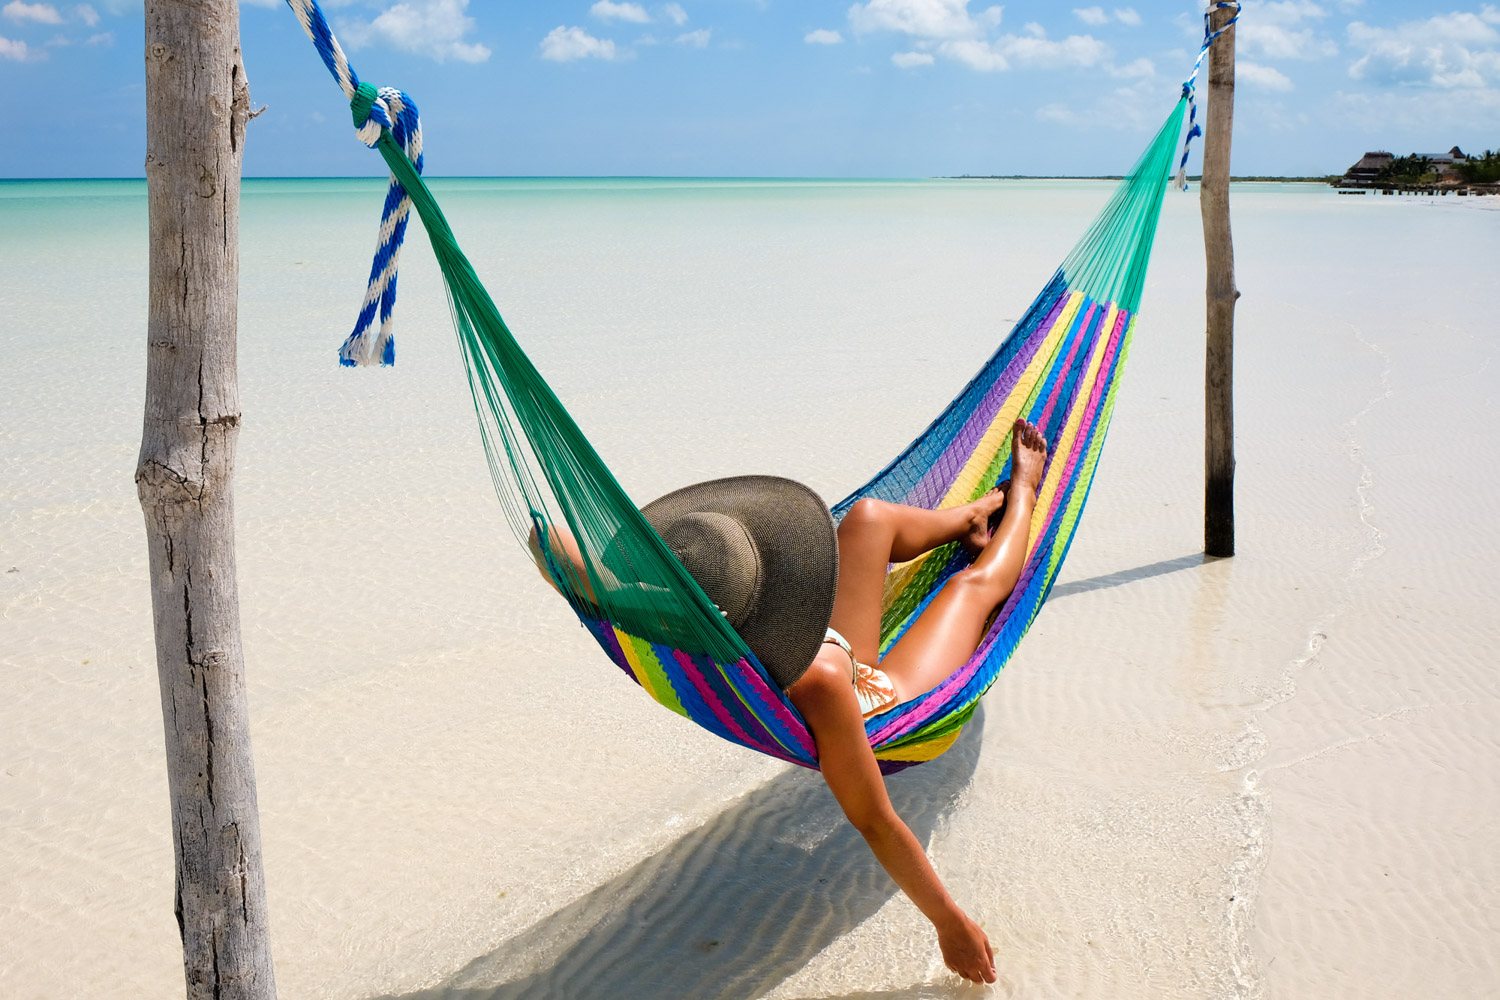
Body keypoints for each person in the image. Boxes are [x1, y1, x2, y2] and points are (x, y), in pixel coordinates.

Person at [533, 418, 1049, 985]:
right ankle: (1019, 497)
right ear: (764, 578)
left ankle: (969, 517)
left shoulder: (663, 624)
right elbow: (875, 819)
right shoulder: (821, 683)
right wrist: (948, 921)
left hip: (808, 647)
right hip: (876, 696)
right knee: (967, 589)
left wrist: (557, 549)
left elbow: (554, 549)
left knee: (868, 517)